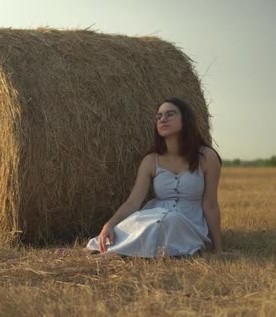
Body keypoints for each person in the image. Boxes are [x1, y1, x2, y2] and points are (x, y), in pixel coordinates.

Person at [86, 97, 223, 258]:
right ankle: (109, 248)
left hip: (188, 223)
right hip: (154, 216)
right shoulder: (151, 160)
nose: (162, 119)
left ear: (185, 120)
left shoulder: (206, 157)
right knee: (139, 220)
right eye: (159, 116)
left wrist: (218, 249)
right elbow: (133, 202)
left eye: (170, 114)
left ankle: (119, 253)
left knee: (170, 220)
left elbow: (211, 205)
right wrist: (109, 225)